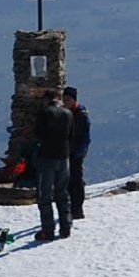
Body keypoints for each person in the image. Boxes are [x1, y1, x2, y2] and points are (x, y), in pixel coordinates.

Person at [32, 90, 75, 241]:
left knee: (44, 195)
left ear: (47, 99)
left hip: (47, 158)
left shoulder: (44, 113)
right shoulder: (68, 113)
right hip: (64, 158)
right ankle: (66, 227)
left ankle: (48, 230)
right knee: (62, 193)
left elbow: (38, 134)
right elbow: (72, 136)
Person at [63, 85, 90, 219]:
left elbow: (85, 137)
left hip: (77, 153)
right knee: (68, 181)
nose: (65, 102)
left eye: (68, 99)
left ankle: (77, 210)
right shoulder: (66, 112)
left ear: (74, 100)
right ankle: (70, 209)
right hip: (67, 152)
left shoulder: (81, 115)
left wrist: (78, 153)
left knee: (77, 181)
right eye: (64, 99)